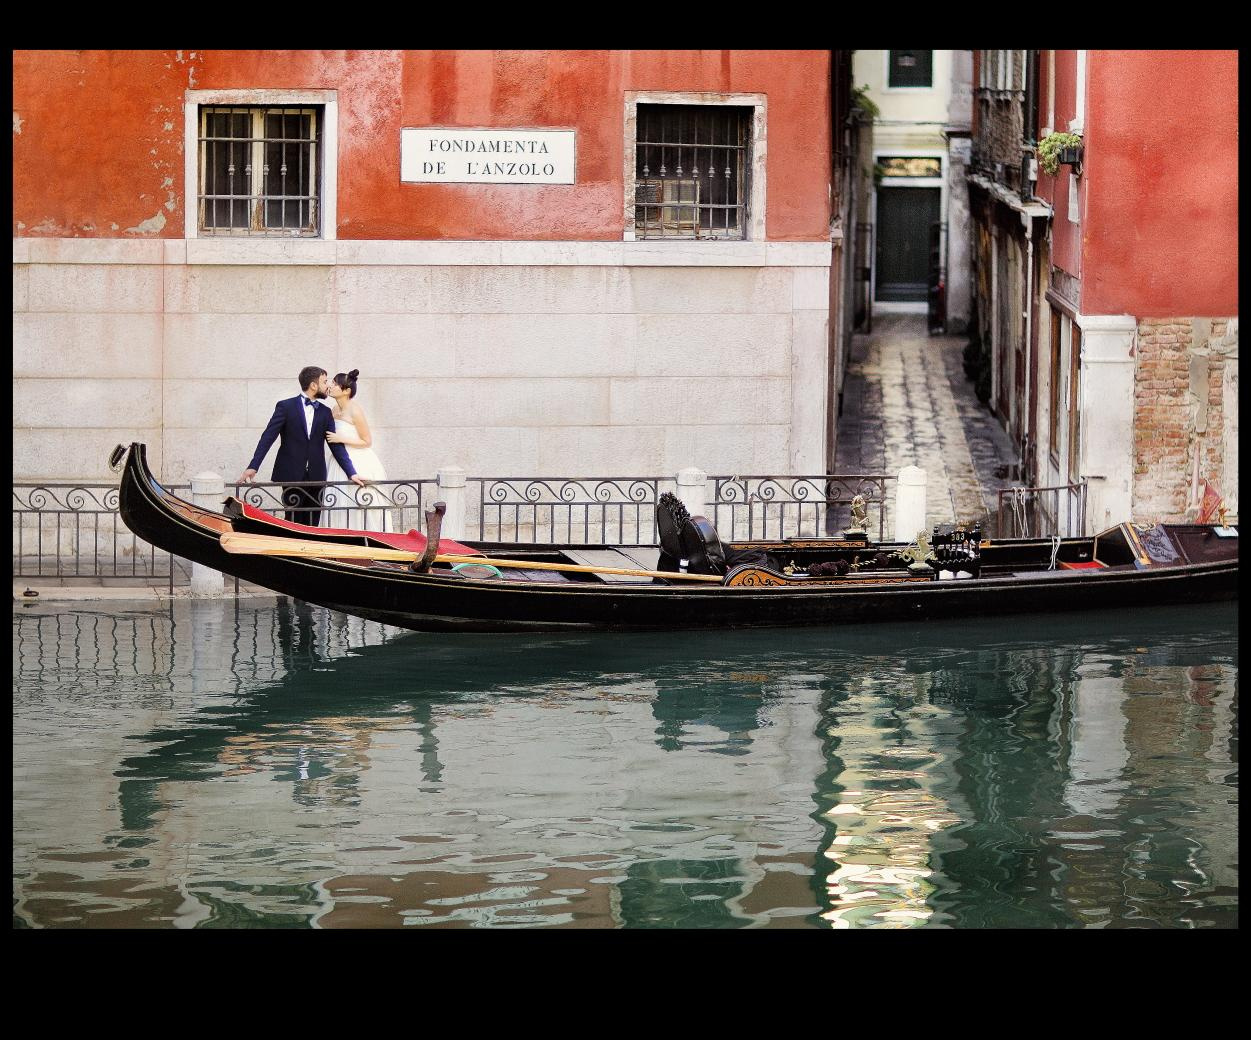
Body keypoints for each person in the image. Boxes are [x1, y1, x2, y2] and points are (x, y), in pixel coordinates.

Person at [239, 365, 365, 527]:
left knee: (313, 523)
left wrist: (351, 473)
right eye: (325, 382)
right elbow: (267, 437)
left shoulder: (326, 412)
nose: (328, 386)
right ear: (313, 385)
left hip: (317, 475)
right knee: (292, 521)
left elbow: (335, 446)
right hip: (290, 473)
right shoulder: (285, 406)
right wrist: (253, 466)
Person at [323, 369, 394, 531]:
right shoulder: (334, 410)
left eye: (335, 384)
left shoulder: (355, 410)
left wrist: (342, 439)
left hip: (358, 459)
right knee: (338, 500)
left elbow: (367, 441)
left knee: (360, 500)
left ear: (346, 391)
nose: (331, 386)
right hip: (338, 461)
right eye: (332, 383)